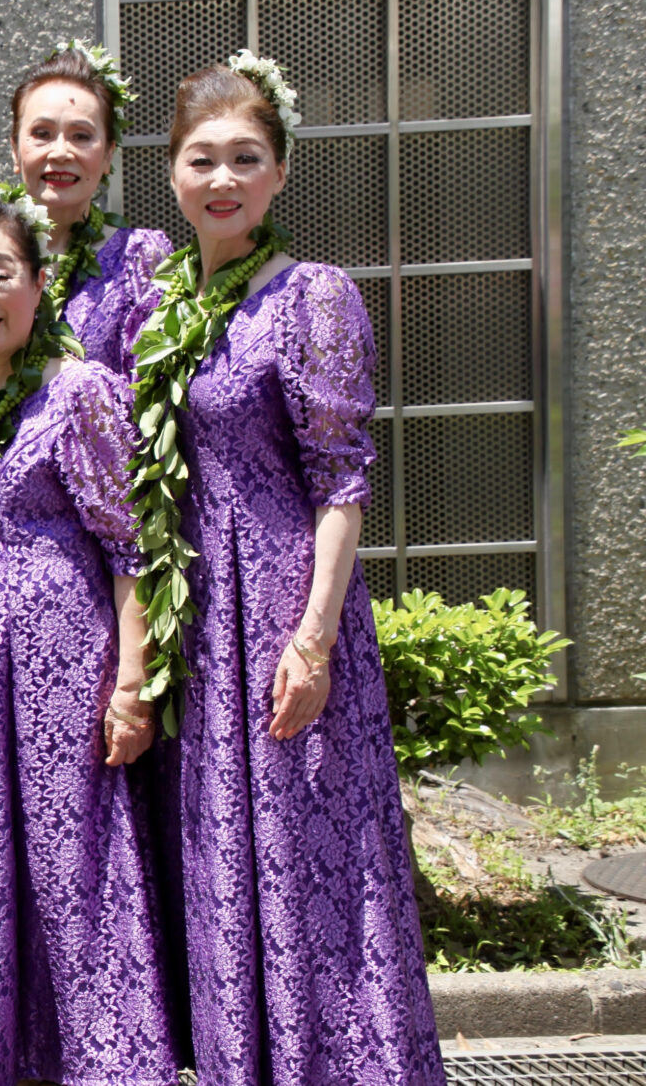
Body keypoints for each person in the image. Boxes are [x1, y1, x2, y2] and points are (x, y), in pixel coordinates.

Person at [139, 54, 442, 1084]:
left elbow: (343, 482)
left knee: (308, 843)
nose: (221, 179)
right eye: (200, 159)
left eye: (244, 159)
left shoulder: (311, 297)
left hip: (278, 605)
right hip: (200, 618)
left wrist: (312, 638)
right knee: (226, 849)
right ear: (171, 173)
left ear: (278, 175)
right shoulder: (167, 304)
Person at [0, 187, 176, 1086]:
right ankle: (27, 1059)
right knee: (3, 856)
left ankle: (113, 1063)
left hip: (68, 658)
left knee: (79, 860)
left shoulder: (80, 392)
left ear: (38, 285)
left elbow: (132, 546)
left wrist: (132, 681)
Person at [6, 41, 171, 376]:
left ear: (109, 154)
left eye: (81, 136)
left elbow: (150, 391)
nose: (61, 152)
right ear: (15, 150)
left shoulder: (140, 257)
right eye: (42, 134)